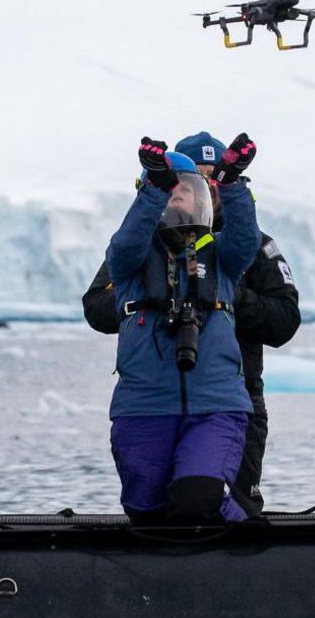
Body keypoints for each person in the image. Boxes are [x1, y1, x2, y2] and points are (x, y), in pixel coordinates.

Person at [83, 130, 299, 515]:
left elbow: (283, 322)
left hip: (229, 394)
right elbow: (98, 307)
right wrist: (156, 295)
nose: (204, 187)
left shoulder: (242, 249)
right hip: (152, 395)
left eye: (211, 178)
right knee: (151, 507)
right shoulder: (136, 252)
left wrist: (217, 297)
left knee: (210, 499)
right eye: (189, 178)